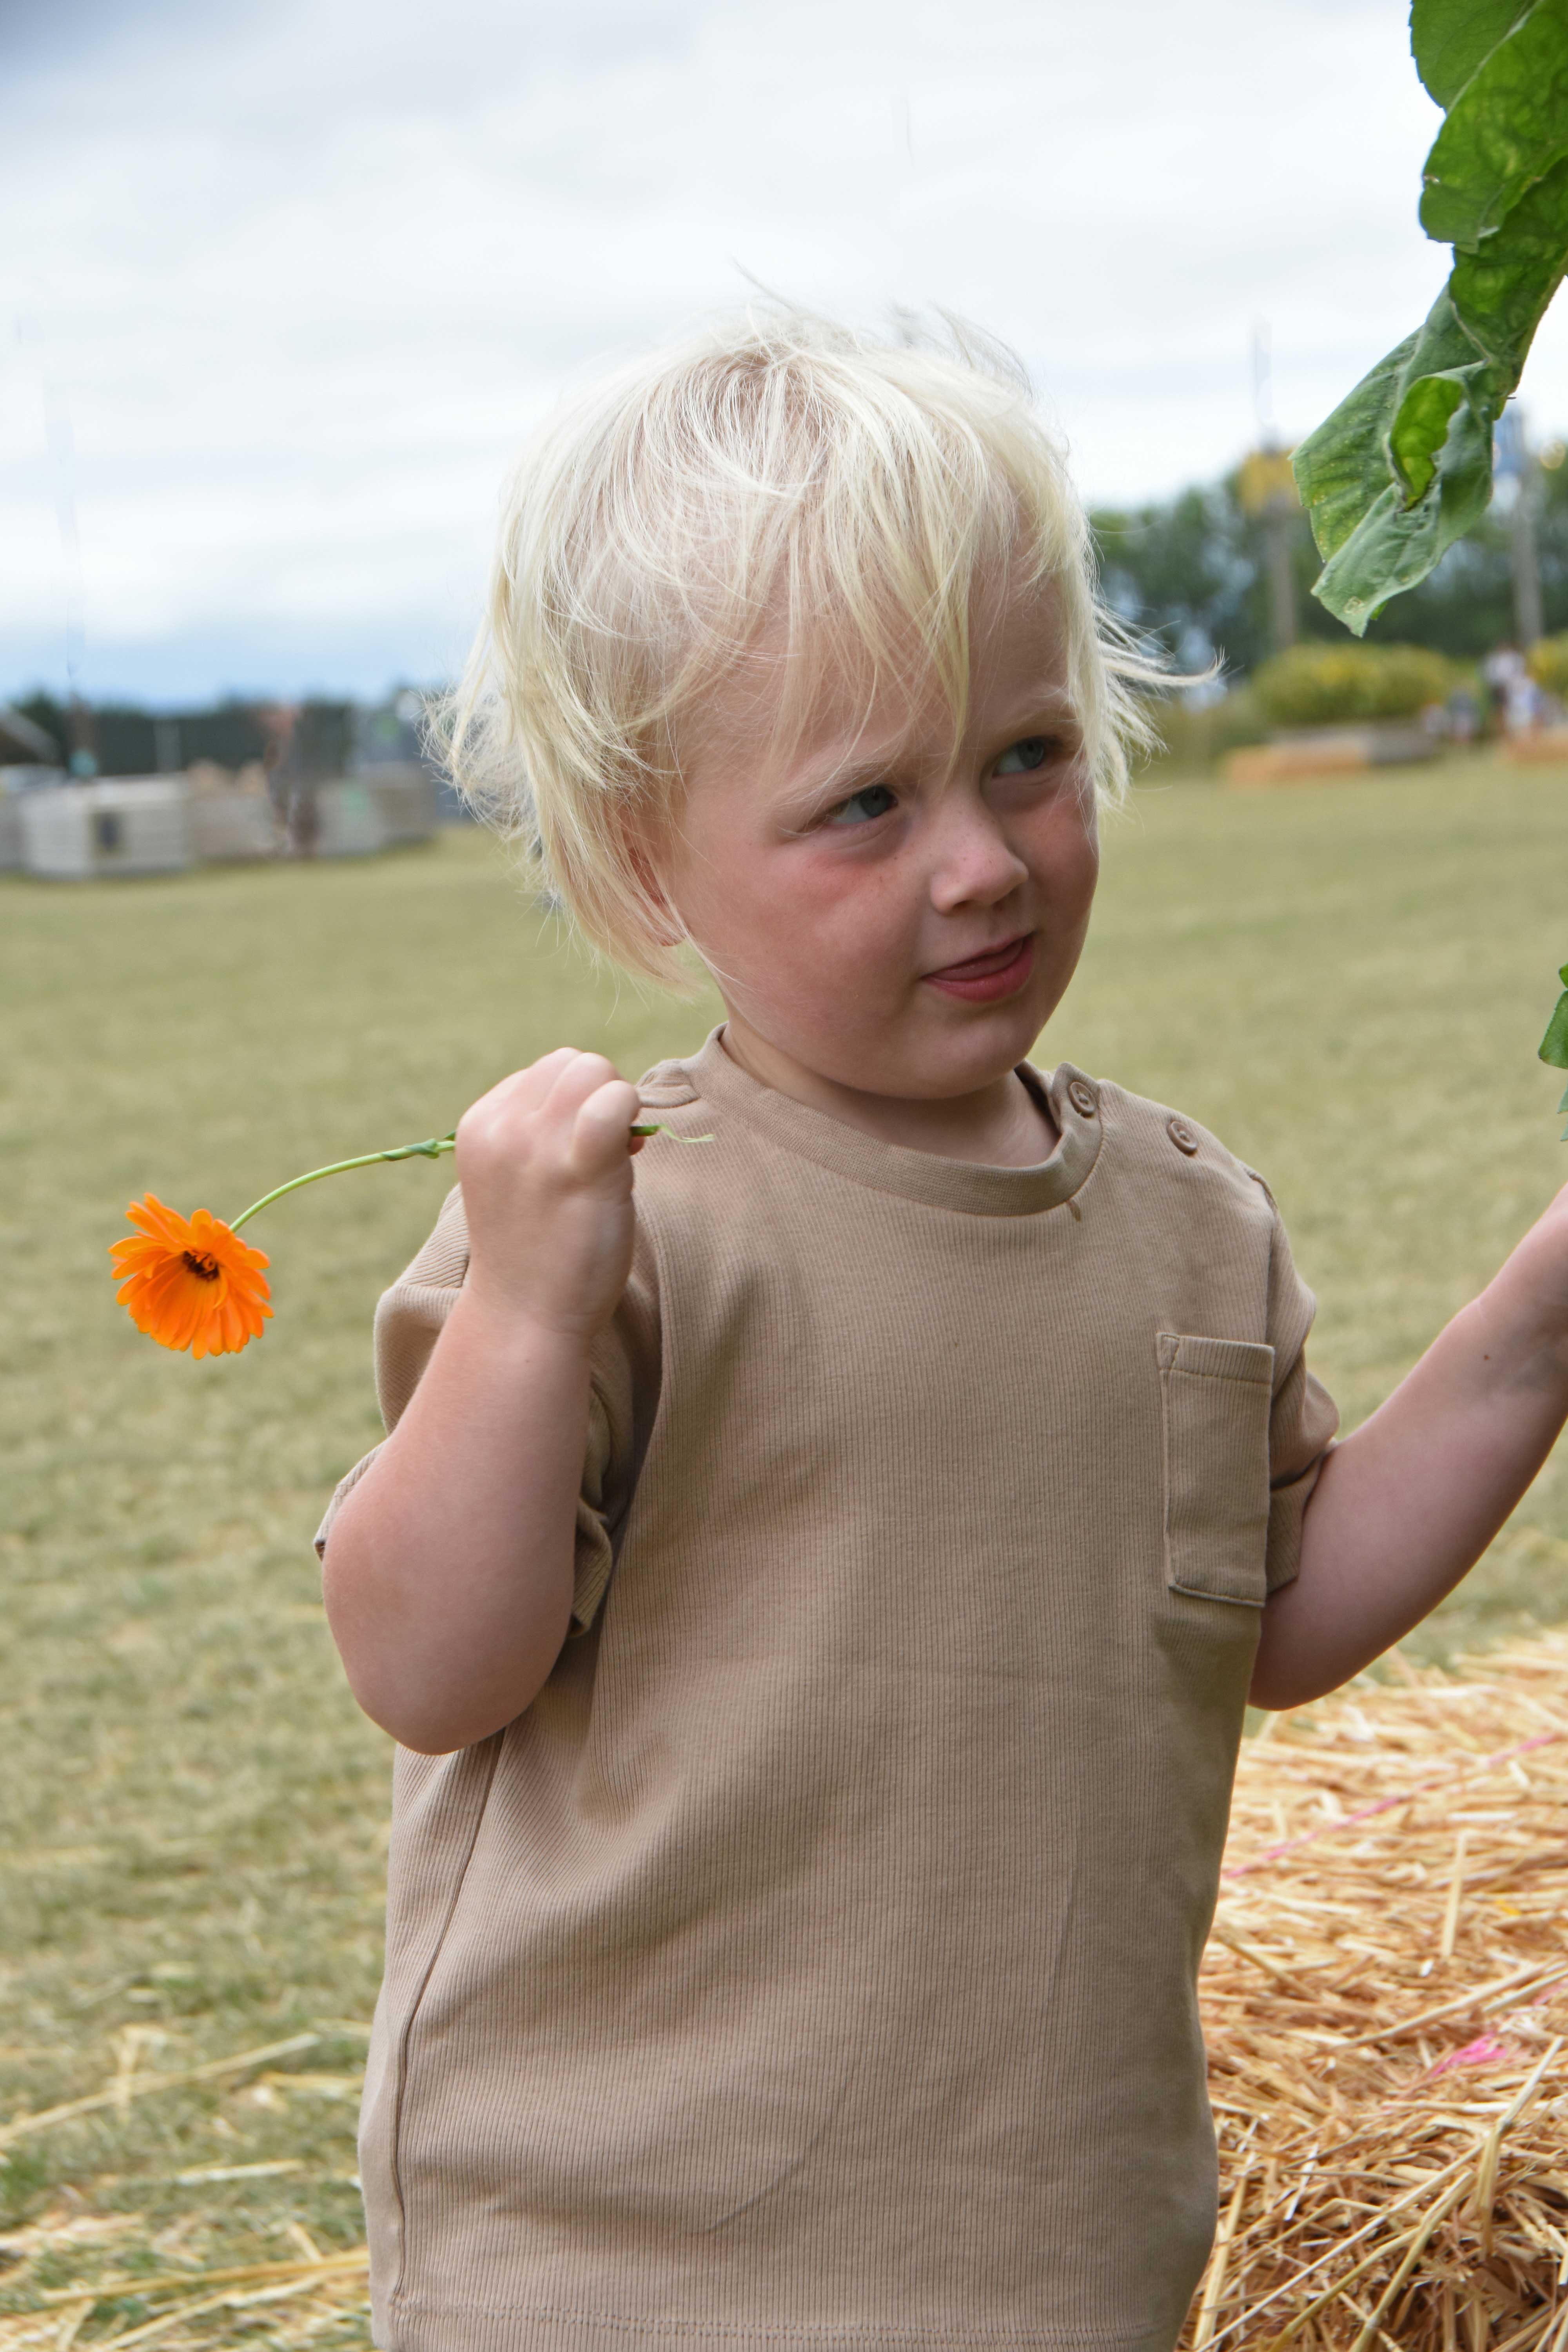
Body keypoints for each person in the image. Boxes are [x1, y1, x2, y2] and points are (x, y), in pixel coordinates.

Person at [317, 313, 1568, 2352]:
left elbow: (1275, 1610)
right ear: (648, 865)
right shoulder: (626, 1231)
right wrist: (526, 1307)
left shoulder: (1183, 1221)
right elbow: (428, 1665)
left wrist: (1541, 1312)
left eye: (1026, 760)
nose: (983, 863)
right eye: (866, 805)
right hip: (617, 2280)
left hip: (1051, 2264)